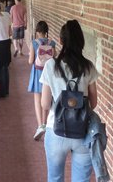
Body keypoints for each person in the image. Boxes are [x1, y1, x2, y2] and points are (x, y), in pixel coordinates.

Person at [40, 19, 98, 182]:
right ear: (81, 41)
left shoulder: (51, 66)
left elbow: (45, 104)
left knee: (55, 178)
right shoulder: (88, 67)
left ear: (61, 40)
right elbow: (93, 103)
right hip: (82, 131)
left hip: (56, 129)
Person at [27, 20, 56, 140]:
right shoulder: (52, 43)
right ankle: (45, 122)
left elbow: (30, 61)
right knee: (47, 99)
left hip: (37, 73)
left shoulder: (34, 43)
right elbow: (54, 58)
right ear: (46, 31)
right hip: (48, 73)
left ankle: (40, 126)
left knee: (37, 99)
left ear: (37, 31)